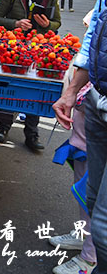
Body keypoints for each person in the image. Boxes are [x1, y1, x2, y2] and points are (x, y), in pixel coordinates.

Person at [53, 0, 107, 272]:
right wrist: (72, 89)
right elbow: (94, 34)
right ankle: (87, 243)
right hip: (99, 100)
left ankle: (91, 259)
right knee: (89, 188)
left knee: (106, 220)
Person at [0, 0, 61, 150]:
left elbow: (57, 22)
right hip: (13, 46)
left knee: (35, 89)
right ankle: (4, 127)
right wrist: (16, 23)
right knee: (11, 85)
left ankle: (32, 133)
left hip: (38, 46)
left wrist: (48, 25)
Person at [49, 82, 97, 274]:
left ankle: (90, 259)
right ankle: (84, 235)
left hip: (99, 148)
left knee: (99, 205)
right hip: (84, 143)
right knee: (84, 196)